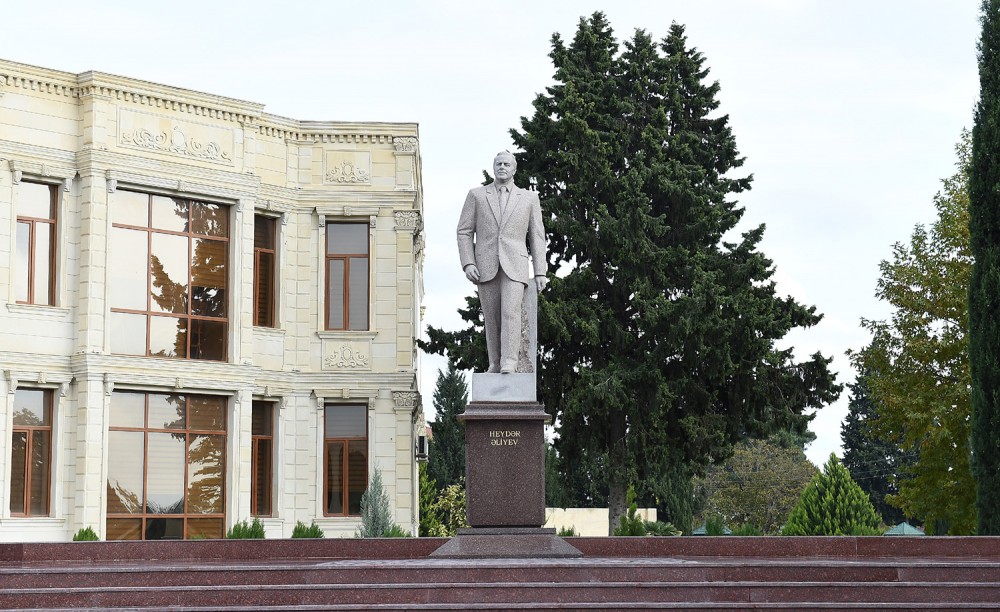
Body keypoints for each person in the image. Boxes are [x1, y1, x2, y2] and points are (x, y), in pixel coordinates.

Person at [457, 151, 547, 374]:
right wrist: (468, 262)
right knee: (491, 317)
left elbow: (537, 236)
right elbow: (464, 231)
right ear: (493, 167)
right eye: (498, 164)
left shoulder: (528, 198)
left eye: (507, 164)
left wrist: (540, 271)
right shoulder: (477, 195)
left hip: (515, 264)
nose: (502, 167)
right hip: (485, 265)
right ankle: (495, 362)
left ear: (514, 169)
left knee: (510, 312)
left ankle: (510, 361)